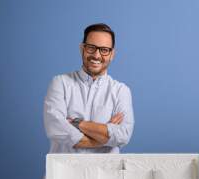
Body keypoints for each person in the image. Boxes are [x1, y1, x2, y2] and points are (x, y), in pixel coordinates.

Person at [43, 23, 134, 162]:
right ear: (82, 49)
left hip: (107, 177)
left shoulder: (121, 91)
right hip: (65, 176)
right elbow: (55, 129)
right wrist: (105, 134)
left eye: (104, 50)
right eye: (91, 48)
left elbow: (123, 136)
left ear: (112, 54)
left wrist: (78, 123)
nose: (96, 55)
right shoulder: (60, 83)